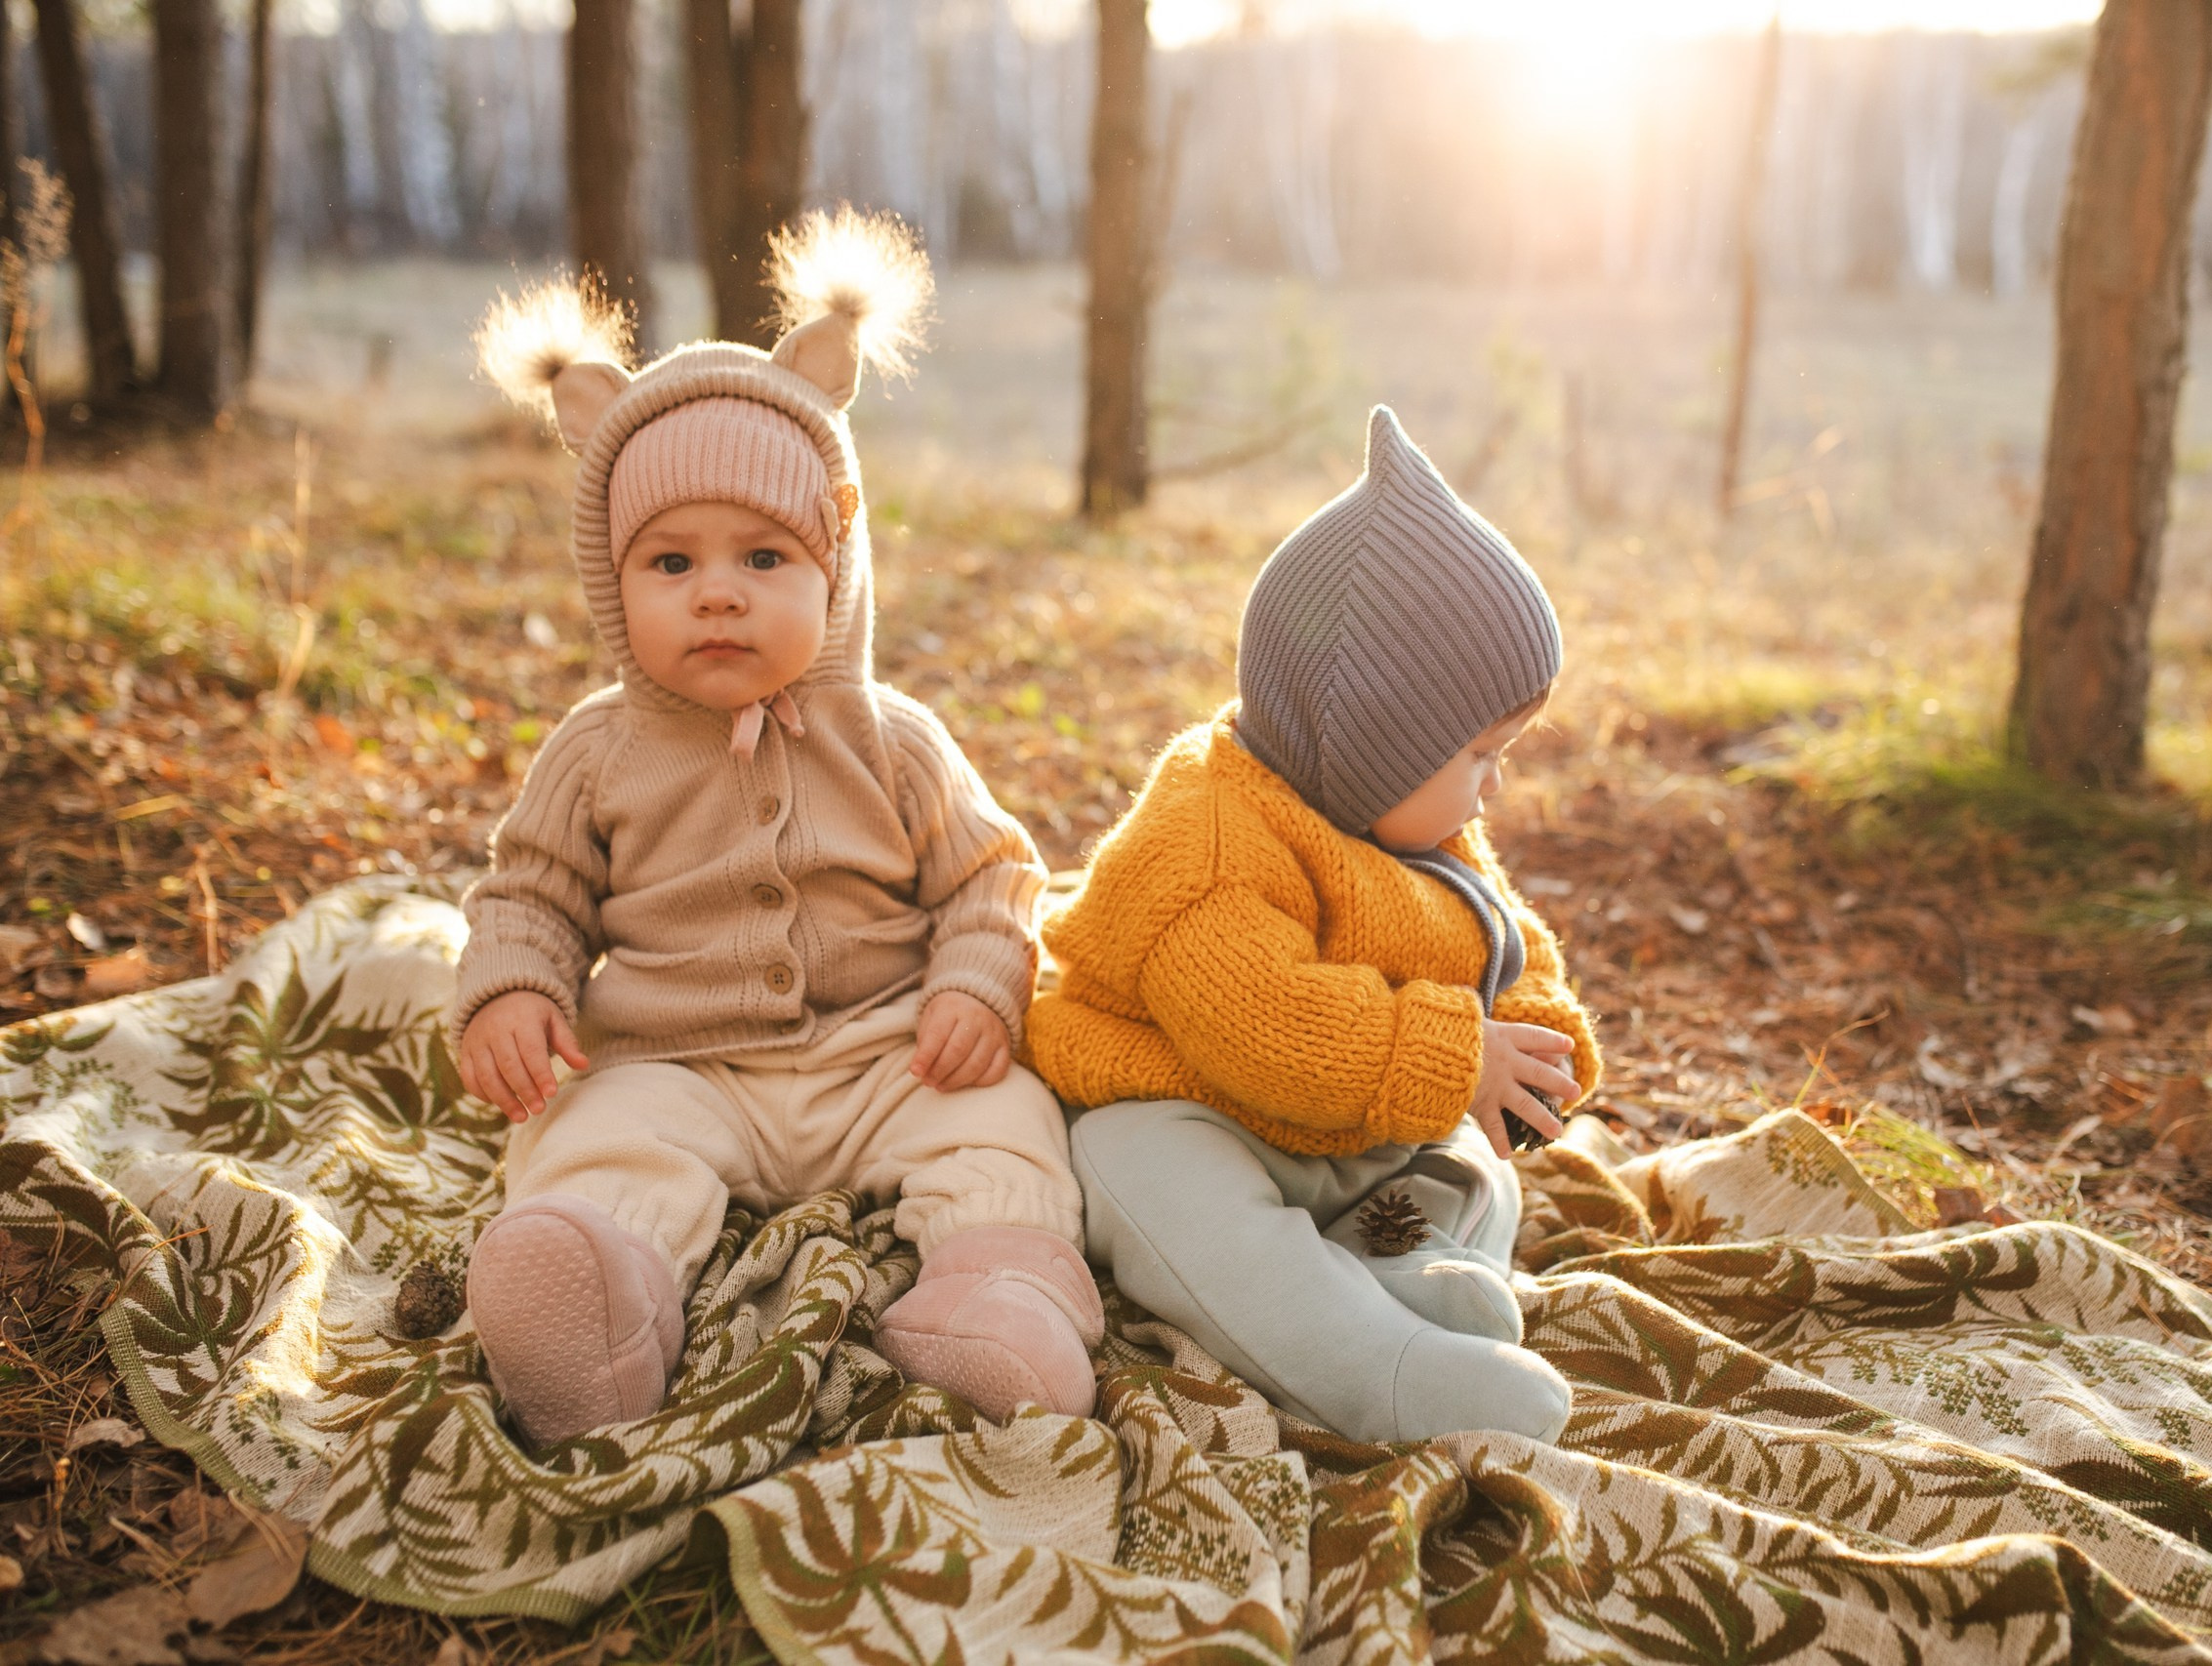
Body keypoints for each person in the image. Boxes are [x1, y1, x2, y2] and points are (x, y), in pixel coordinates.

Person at [452, 209, 1099, 1447]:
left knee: (1005, 1122)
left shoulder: (894, 738)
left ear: (837, 564)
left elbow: (992, 877)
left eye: (763, 554)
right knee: (597, 1142)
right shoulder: (598, 749)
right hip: (678, 1065)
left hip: (884, 1056)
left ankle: (996, 1292)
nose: (719, 592)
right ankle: (594, 1301)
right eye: (670, 564)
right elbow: (528, 893)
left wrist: (977, 984)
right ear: (610, 581)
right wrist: (509, 992)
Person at [1029, 406, 1600, 1444]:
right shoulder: (1203, 839)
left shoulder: (1412, 825)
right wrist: (1451, 1052)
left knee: (1472, 1162)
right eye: (1477, 754)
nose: (1495, 783)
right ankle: (1372, 1366)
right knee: (1164, 1192)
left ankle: (1420, 1270)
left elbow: (1498, 942)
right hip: (1191, 1103)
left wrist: (1533, 1047)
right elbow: (1265, 1027)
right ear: (1379, 739)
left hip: (1358, 1124)